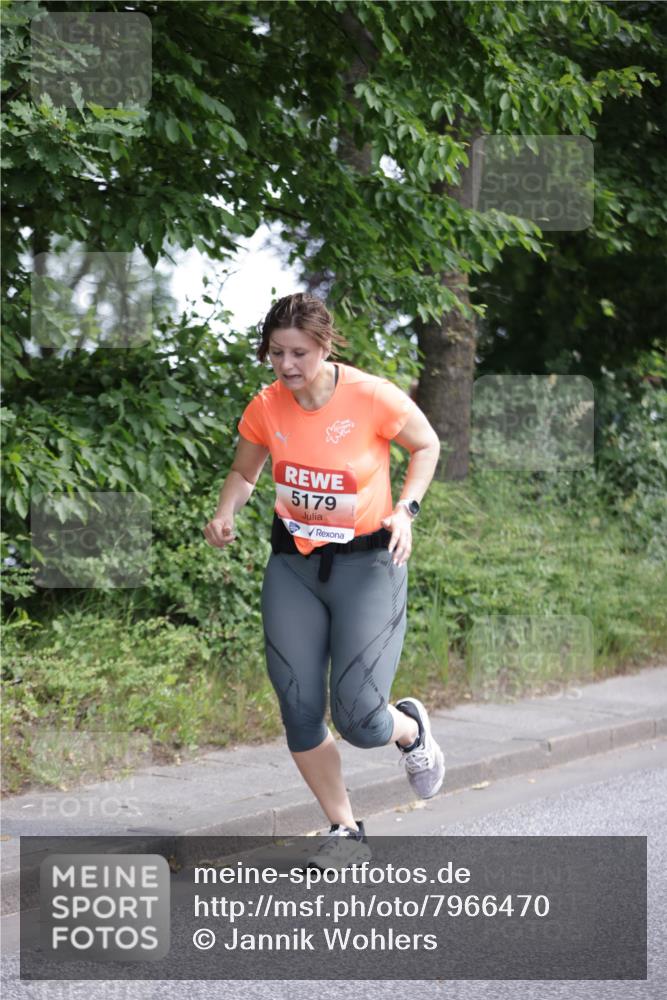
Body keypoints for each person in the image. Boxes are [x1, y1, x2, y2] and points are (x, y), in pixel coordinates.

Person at [203, 293, 445, 870]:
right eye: (276, 353)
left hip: (368, 563)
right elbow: (244, 469)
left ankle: (410, 730)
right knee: (299, 705)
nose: (287, 366)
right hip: (294, 566)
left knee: (361, 719)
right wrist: (226, 511)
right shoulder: (266, 405)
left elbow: (427, 445)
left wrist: (405, 509)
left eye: (299, 354)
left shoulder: (370, 397)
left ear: (325, 345)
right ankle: (345, 829)